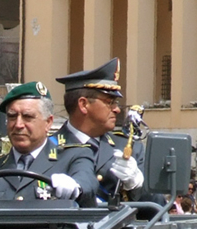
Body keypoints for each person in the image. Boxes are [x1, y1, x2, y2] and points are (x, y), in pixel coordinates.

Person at [0, 81, 97, 205]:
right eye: (12, 117)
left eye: (28, 117)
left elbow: (87, 184)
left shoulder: (73, 158)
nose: (18, 125)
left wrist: (75, 189)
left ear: (48, 122)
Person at [53, 58, 144, 202]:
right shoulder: (48, 148)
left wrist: (137, 184)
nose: (117, 109)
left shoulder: (130, 148)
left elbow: (157, 210)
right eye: (110, 102)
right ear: (83, 104)